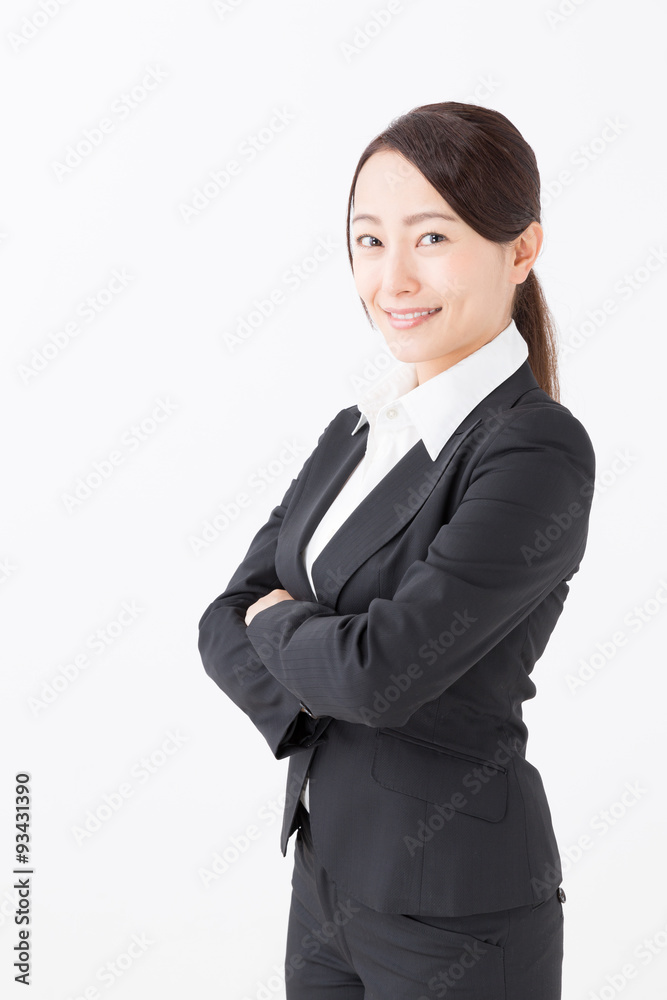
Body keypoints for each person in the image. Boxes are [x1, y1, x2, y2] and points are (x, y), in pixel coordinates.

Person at [198, 101, 596, 999]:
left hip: (456, 910)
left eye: (431, 237)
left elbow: (383, 672)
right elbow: (223, 619)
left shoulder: (533, 449)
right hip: (325, 882)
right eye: (369, 241)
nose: (393, 277)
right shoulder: (359, 427)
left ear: (520, 250)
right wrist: (313, 663)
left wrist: (288, 624)